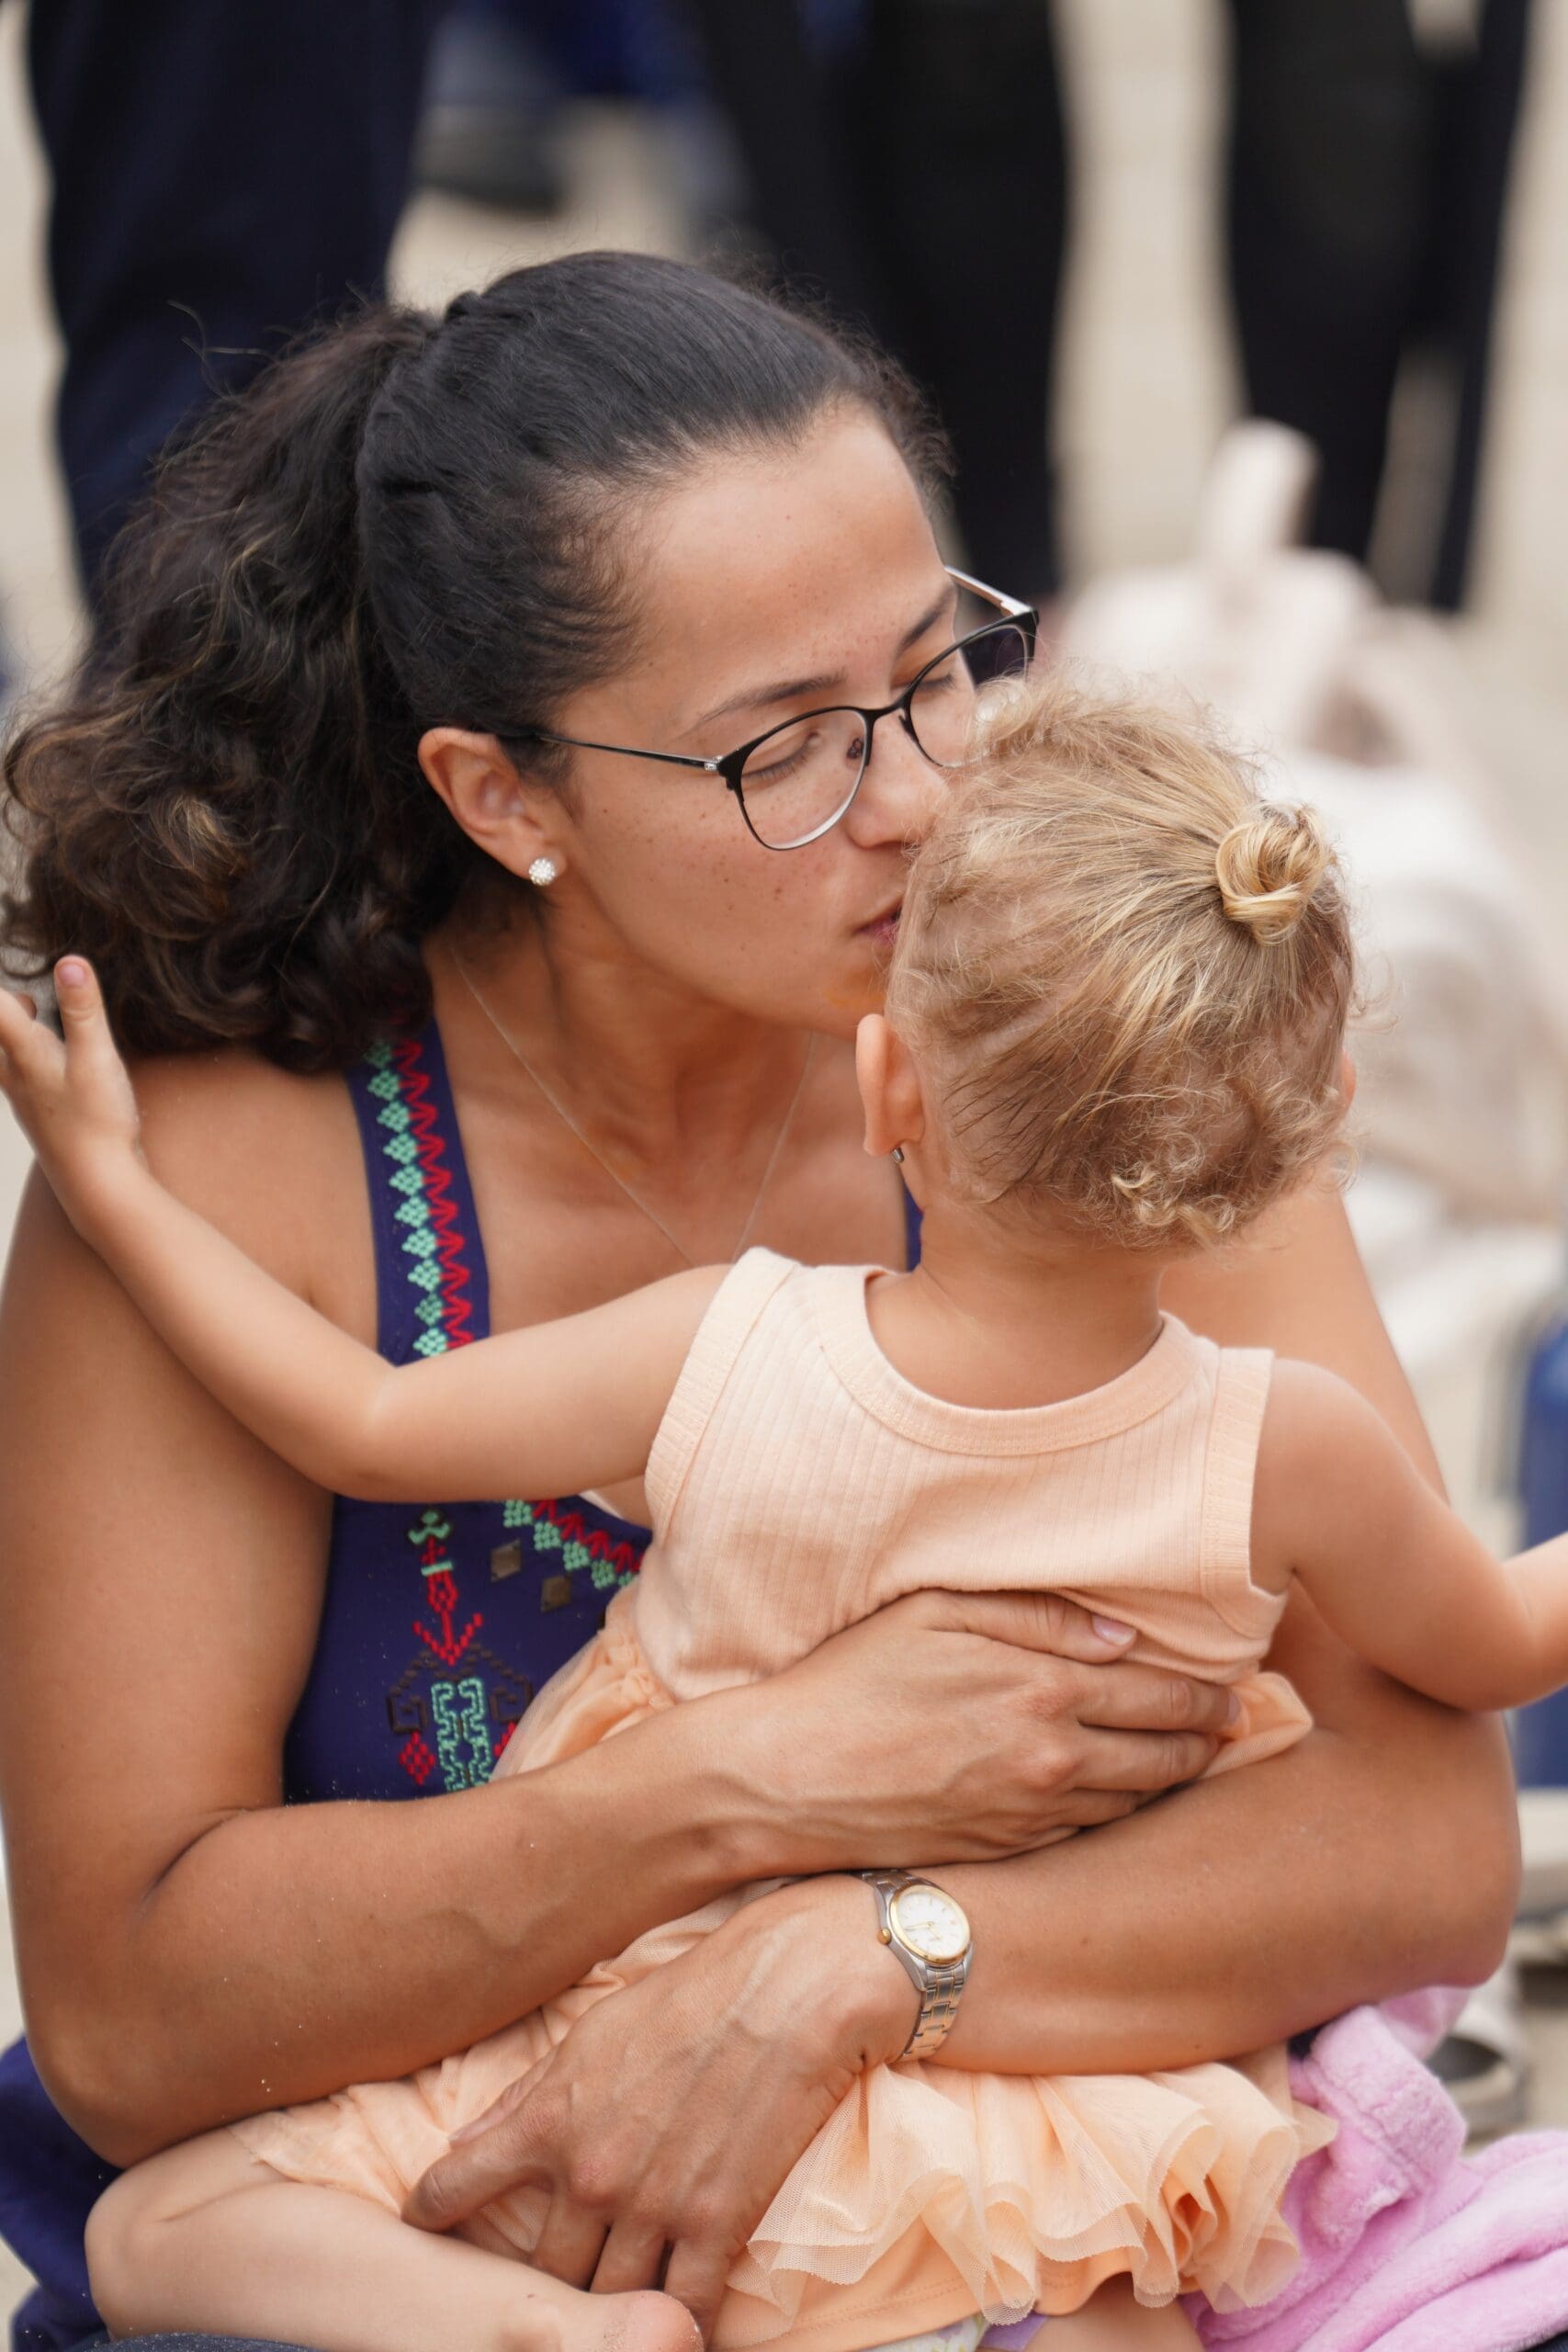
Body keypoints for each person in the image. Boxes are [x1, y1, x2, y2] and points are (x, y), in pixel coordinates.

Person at [0, 255, 1520, 2352]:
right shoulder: (241, 1176)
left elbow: (1422, 1839)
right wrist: (737, 1783)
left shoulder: (1095, 1057)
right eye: (785, 748)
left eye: (935, 671)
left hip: (1014, 2232)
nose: (919, 803)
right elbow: (134, 2021)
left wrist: (863, 1961)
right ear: (503, 796)